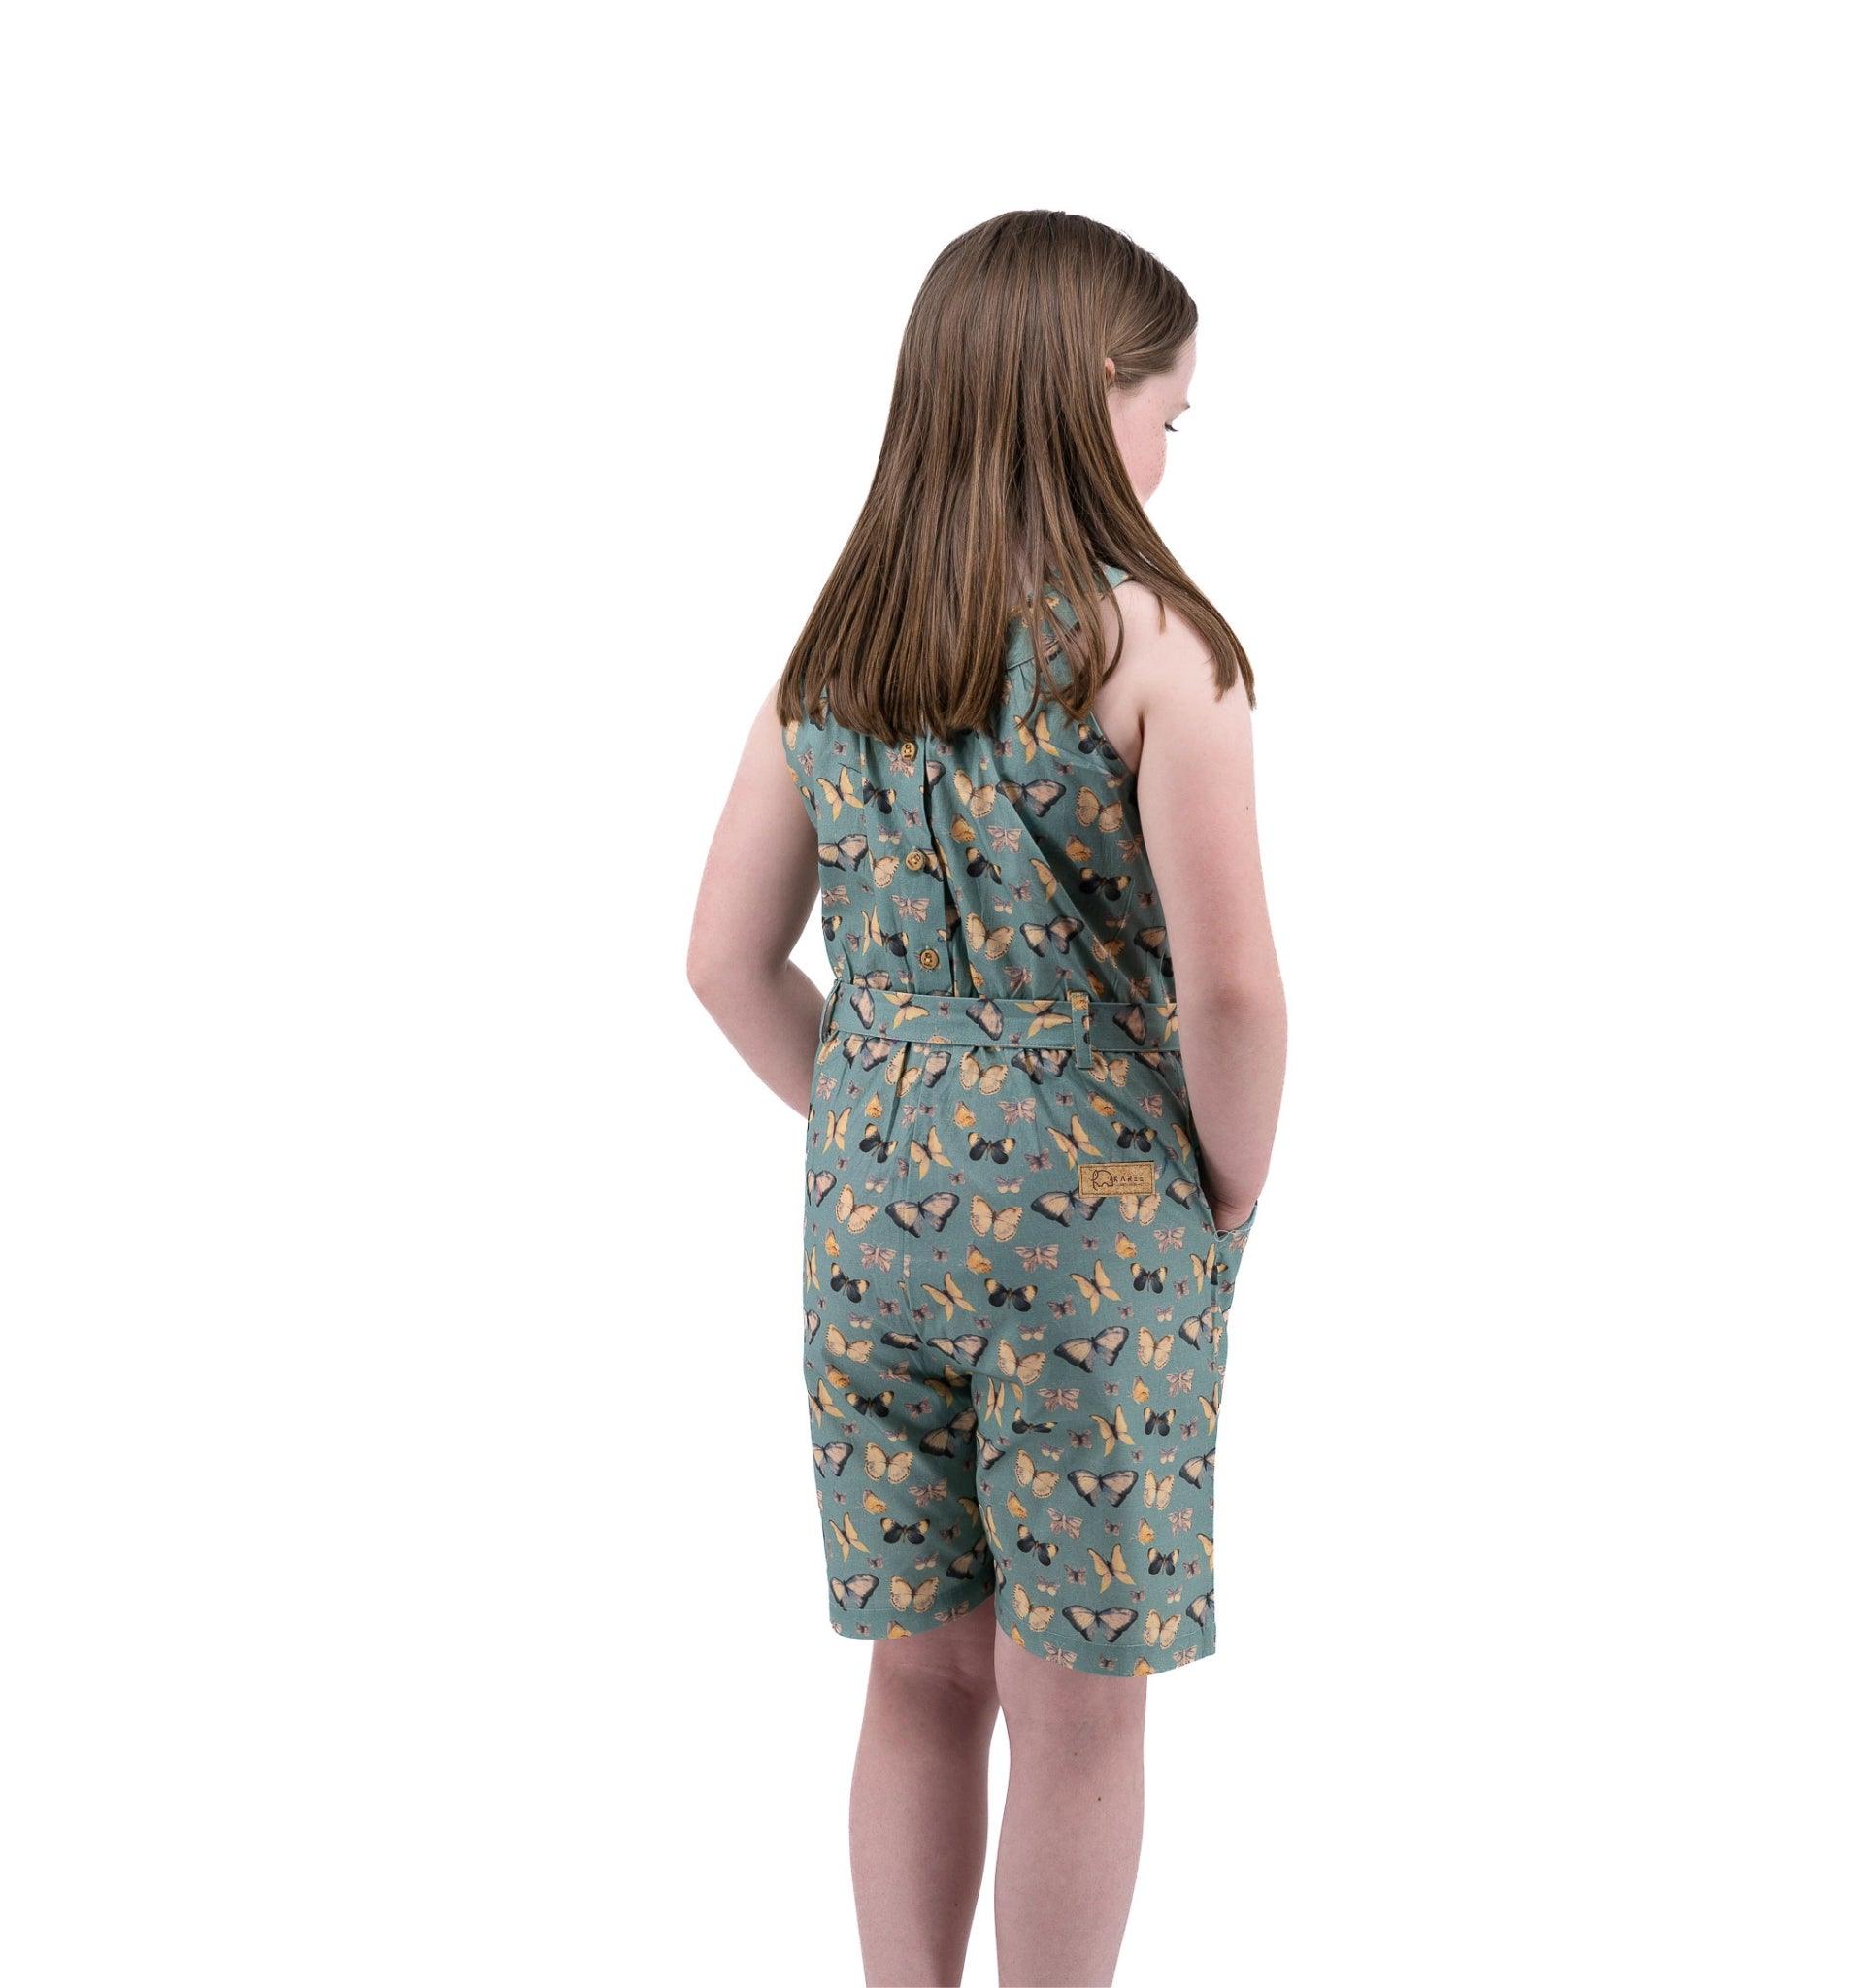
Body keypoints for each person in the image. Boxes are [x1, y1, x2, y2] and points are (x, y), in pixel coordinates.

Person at [687, 210, 1286, 1988]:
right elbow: (1236, 989)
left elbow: (725, 959)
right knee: (1079, 1703)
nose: (1173, 454)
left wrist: (874, 1128)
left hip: (869, 1223)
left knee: (921, 1672)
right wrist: (1228, 1187)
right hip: (1100, 1236)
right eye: (1171, 414)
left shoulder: (839, 652)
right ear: (1095, 401)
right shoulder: (1163, 652)